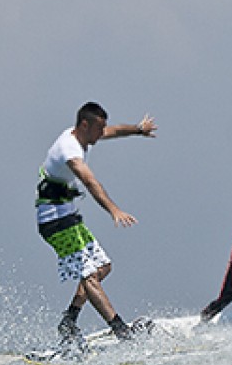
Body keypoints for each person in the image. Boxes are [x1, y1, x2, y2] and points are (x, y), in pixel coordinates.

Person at [36, 102, 156, 350]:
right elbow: (90, 182)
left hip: (67, 217)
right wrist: (114, 209)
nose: (103, 133)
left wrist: (137, 129)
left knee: (102, 267)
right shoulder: (69, 150)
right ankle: (122, 332)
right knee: (90, 276)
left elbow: (113, 131)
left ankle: (69, 320)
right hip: (54, 221)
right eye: (98, 128)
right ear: (84, 124)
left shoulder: (83, 136)